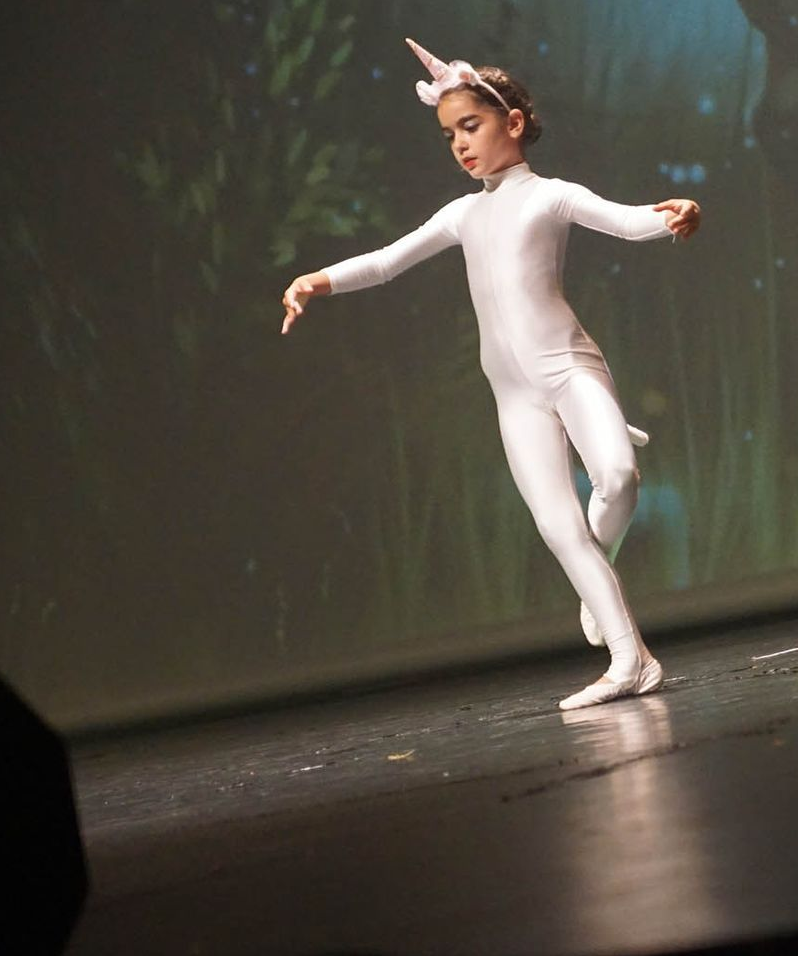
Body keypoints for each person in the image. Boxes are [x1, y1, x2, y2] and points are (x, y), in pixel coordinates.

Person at [281, 39, 701, 708]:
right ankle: (631, 660)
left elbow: (627, 223)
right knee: (559, 527)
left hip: (569, 366)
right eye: (449, 135)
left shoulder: (552, 196)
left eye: (469, 126)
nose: (459, 145)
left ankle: (602, 576)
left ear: (511, 122)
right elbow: (388, 260)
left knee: (619, 476)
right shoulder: (461, 214)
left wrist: (674, 212)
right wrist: (315, 280)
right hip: (513, 394)